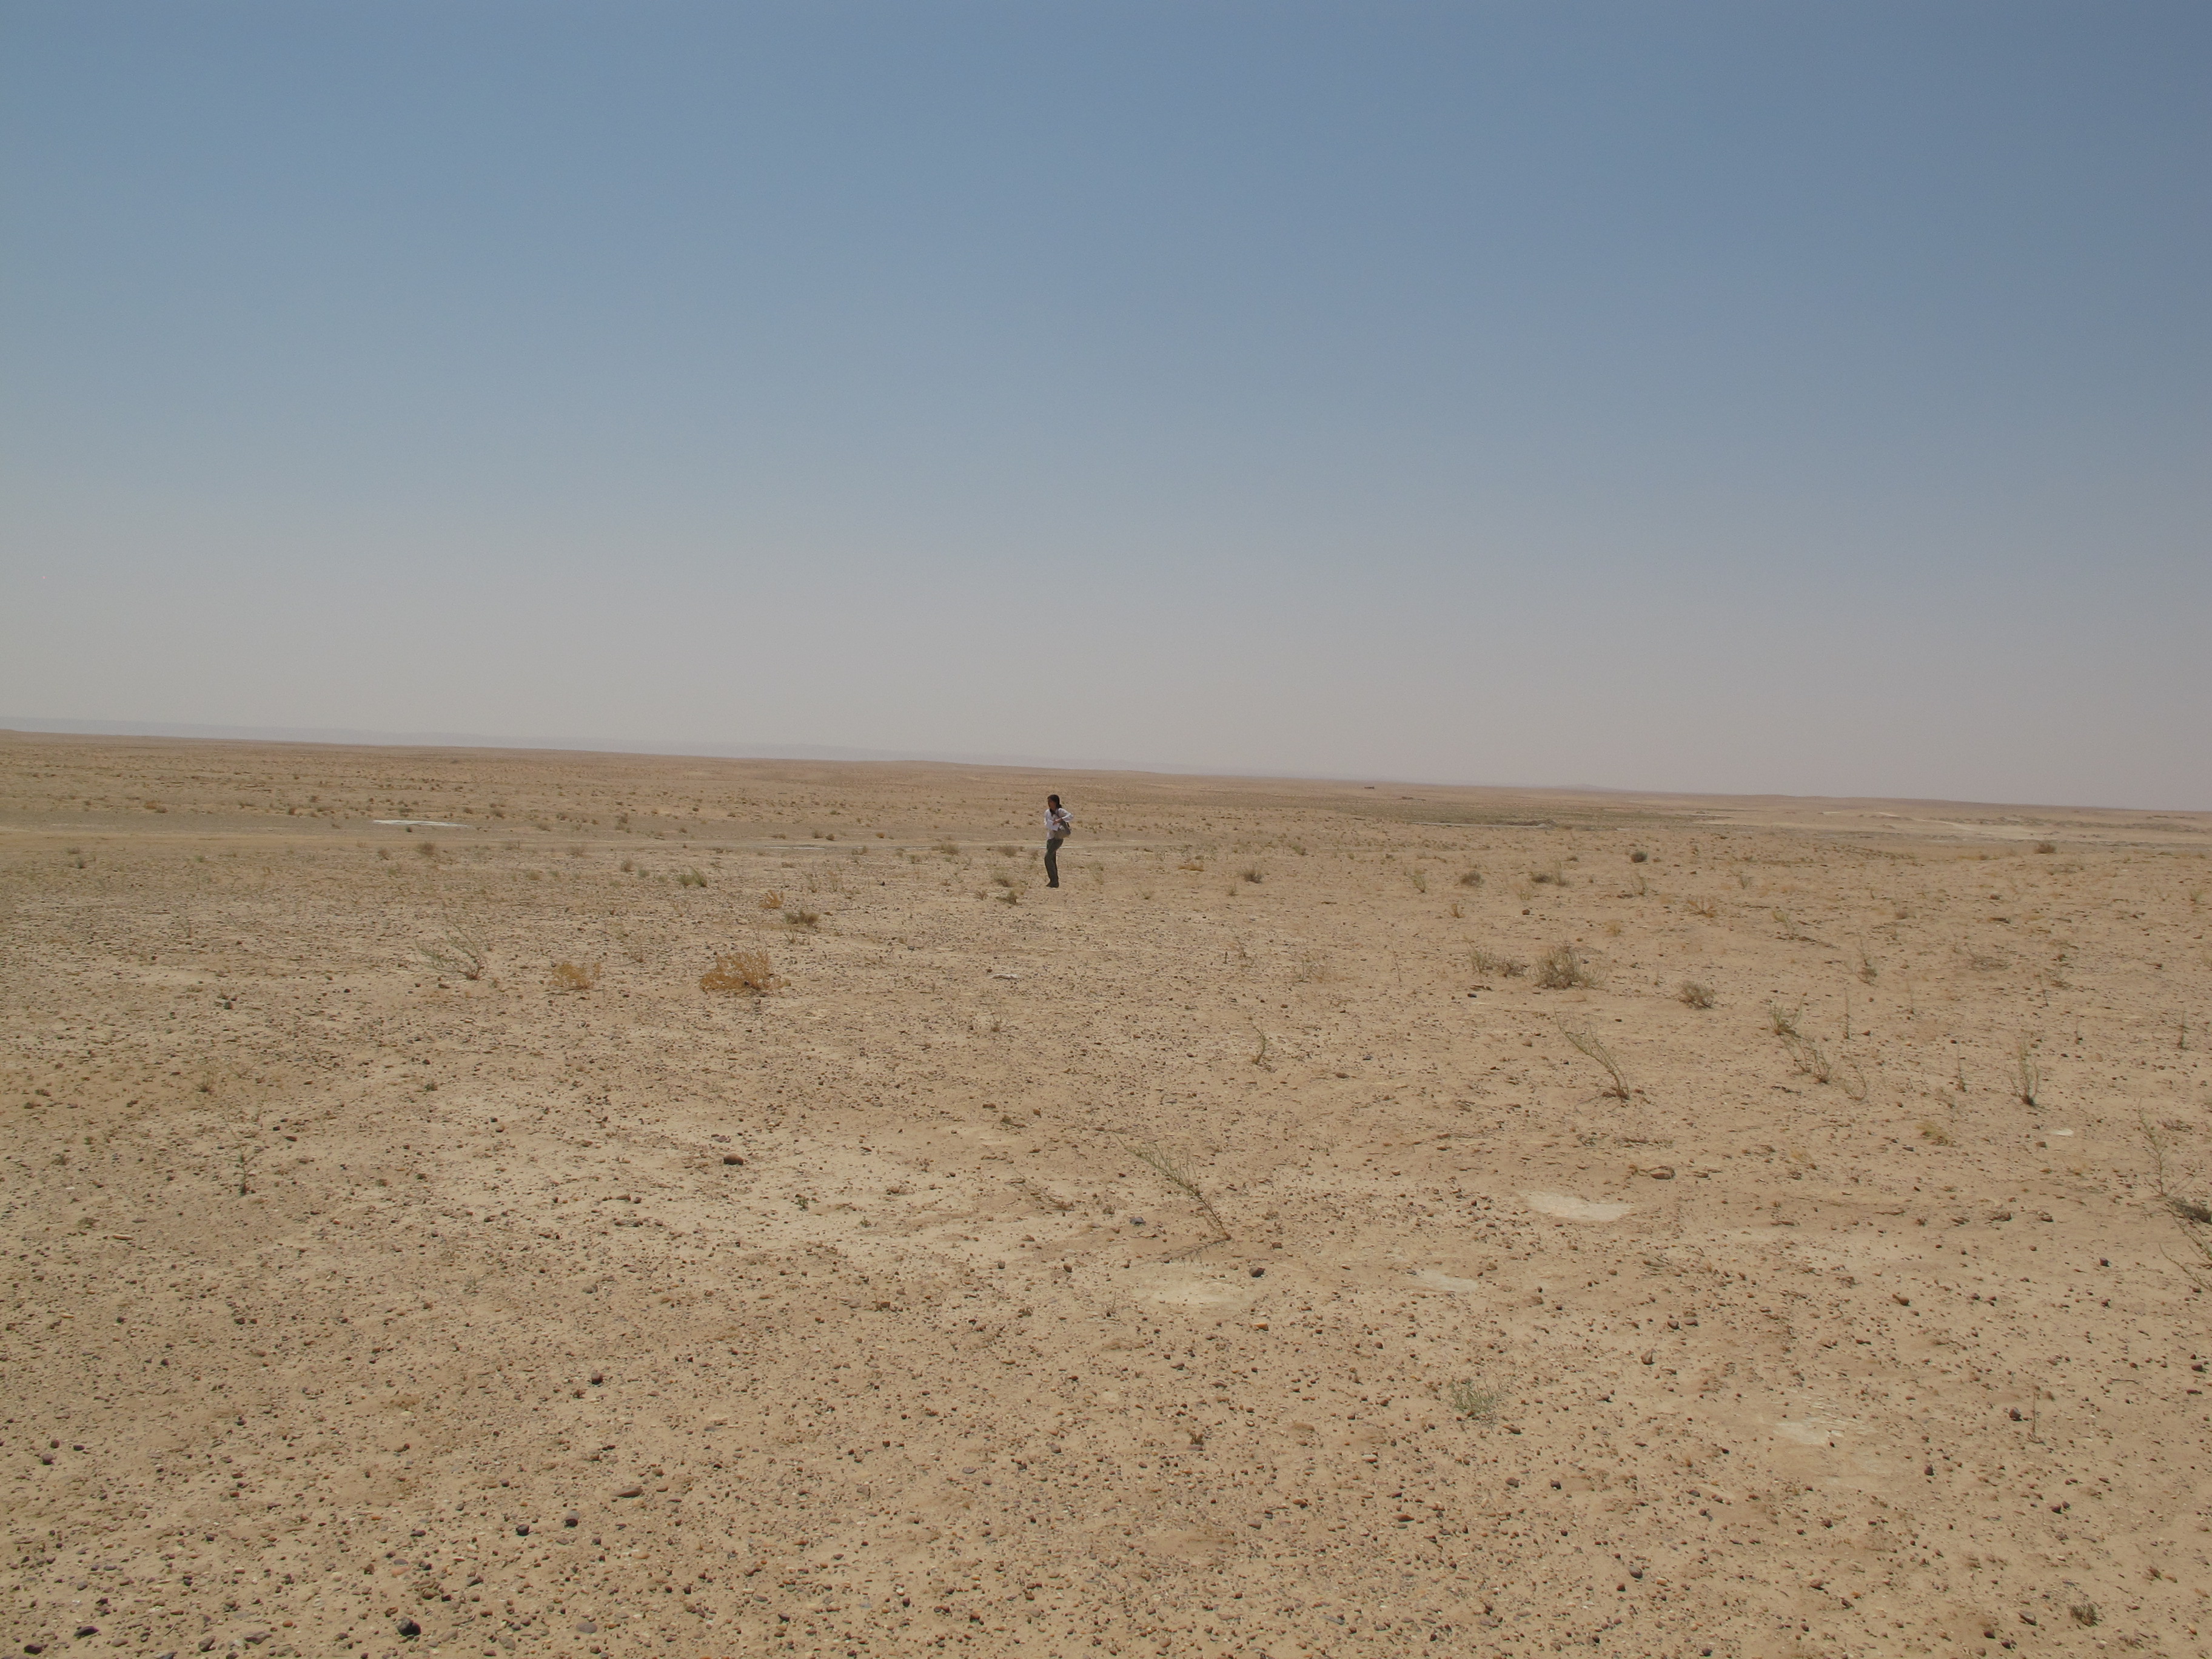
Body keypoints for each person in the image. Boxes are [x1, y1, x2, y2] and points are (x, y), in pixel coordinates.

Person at [1042, 794, 1071, 888]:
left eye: (1051, 802)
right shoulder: (1047, 812)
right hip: (1050, 838)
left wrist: (1060, 820)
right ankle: (1054, 881)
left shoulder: (1060, 811)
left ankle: (1054, 880)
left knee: (1047, 858)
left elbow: (1070, 816)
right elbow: (1046, 822)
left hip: (1058, 838)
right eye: (1048, 802)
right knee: (1052, 859)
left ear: (1055, 802)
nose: (1049, 804)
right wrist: (1050, 825)